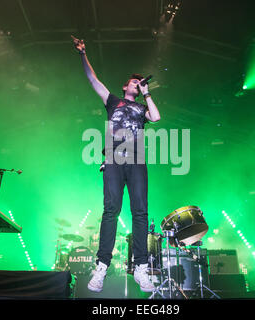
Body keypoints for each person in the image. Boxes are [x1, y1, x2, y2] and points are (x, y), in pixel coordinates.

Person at [72, 35, 161, 293]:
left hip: (136, 160)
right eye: (136, 82)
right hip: (113, 158)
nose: (139, 83)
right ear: (125, 86)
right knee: (111, 210)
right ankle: (102, 266)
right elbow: (92, 79)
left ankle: (141, 268)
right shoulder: (112, 101)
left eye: (140, 83)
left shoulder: (142, 107)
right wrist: (82, 54)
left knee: (140, 212)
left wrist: (147, 93)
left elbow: (155, 117)